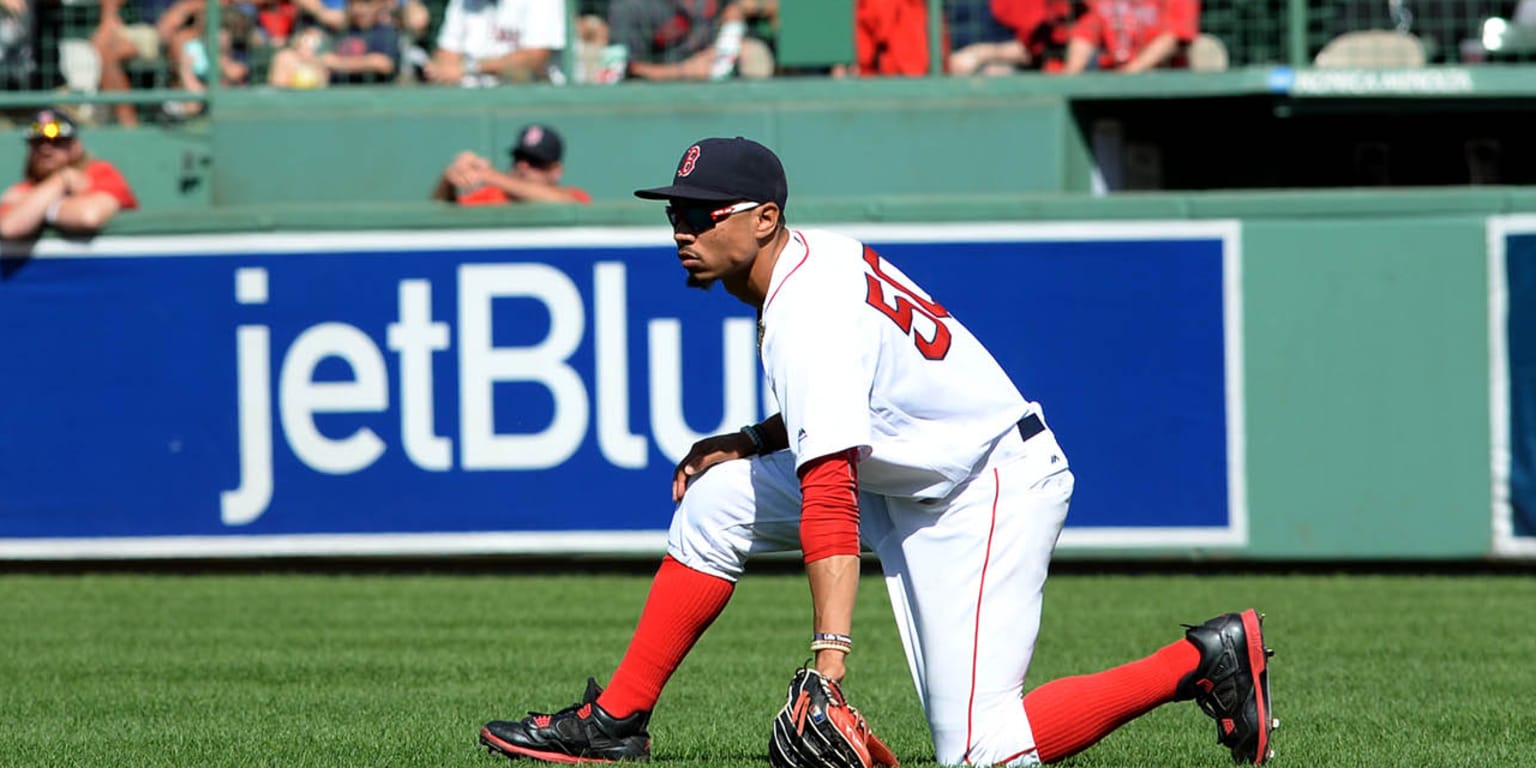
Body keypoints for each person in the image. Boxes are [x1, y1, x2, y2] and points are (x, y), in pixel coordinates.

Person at [476, 136, 1277, 767]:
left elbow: (829, 491)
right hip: (914, 474)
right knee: (718, 501)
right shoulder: (808, 259)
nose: (683, 229)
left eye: (705, 212)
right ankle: (617, 720)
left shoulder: (805, 309)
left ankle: (1203, 661)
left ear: (762, 218)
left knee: (982, 752)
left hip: (985, 486)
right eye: (677, 212)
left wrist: (830, 660)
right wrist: (753, 440)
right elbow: (860, 412)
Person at [0, 110, 139, 240]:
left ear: (76, 146)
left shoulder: (101, 173)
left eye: (57, 142)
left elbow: (89, 216)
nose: (45, 149)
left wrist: (38, 207)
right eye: (37, 142)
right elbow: (10, 227)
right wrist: (60, 181)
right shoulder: (24, 188)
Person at [606, 0, 775, 81]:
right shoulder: (632, 7)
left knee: (755, 55)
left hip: (717, 79)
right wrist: (684, 70)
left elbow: (777, 8)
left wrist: (747, 8)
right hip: (659, 91)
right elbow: (628, 71)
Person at [431, 124, 591, 205]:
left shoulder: (570, 195)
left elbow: (566, 203)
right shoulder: (493, 196)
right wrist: (448, 182)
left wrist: (488, 175)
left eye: (535, 161)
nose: (523, 166)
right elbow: (441, 214)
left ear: (555, 171)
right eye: (519, 157)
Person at [424, 0, 567, 86]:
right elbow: (447, 53)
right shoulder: (463, 3)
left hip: (529, 99)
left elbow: (536, 56)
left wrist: (468, 68)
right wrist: (441, 69)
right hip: (471, 100)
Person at [1060, 0, 1199, 73]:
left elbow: (1175, 35)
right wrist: (1070, 75)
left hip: (1164, 79)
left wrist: (1132, 71)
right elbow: (1085, 32)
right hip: (1114, 77)